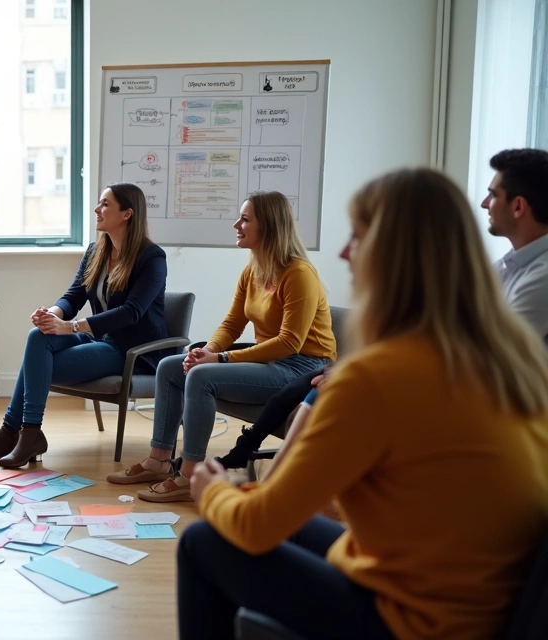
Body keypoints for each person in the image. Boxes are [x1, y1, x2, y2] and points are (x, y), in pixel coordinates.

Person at [178, 168, 548, 640]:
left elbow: (255, 529)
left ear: (395, 255)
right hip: (480, 602)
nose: (344, 252)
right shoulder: (510, 361)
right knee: (290, 521)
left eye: (357, 236)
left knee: (203, 541)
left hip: (414, 620)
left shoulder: (378, 376)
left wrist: (213, 492)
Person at [218, 147, 548, 469]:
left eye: (359, 237)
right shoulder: (504, 269)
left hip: (490, 421)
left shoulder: (539, 277)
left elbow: (485, 355)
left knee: (317, 397)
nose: (345, 253)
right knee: (314, 394)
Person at [110, 191, 336, 502]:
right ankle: (159, 460)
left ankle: (190, 474)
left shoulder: (299, 274)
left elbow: (288, 343)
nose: (236, 224)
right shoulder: (253, 270)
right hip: (270, 362)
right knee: (170, 367)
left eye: (245, 219)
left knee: (203, 377)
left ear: (268, 226)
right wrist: (206, 351)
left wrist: (220, 358)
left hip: (301, 366)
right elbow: (232, 324)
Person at [0, 183, 177, 468]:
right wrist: (51, 314)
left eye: (105, 204)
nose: (96, 209)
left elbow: (132, 312)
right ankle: (24, 433)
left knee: (37, 364)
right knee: (38, 337)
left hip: (133, 351)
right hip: (101, 340)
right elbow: (73, 296)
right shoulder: (96, 251)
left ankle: (16, 432)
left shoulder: (152, 258)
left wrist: (70, 327)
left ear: (127, 214)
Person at [485, 148, 548, 340]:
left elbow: (498, 348)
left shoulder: (544, 276)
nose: (484, 203)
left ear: (518, 206)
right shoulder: (510, 265)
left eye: (493, 195)